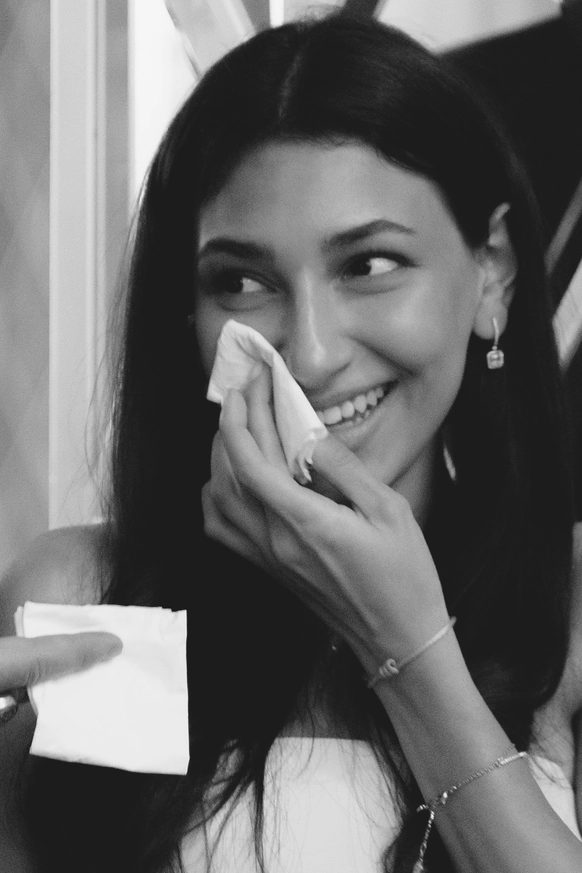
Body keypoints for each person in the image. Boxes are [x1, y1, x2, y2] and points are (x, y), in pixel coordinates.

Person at [1, 12, 581, 873]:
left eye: (369, 265)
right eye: (242, 281)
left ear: (490, 270)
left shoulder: (565, 609)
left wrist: (406, 644)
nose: (307, 354)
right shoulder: (98, 600)